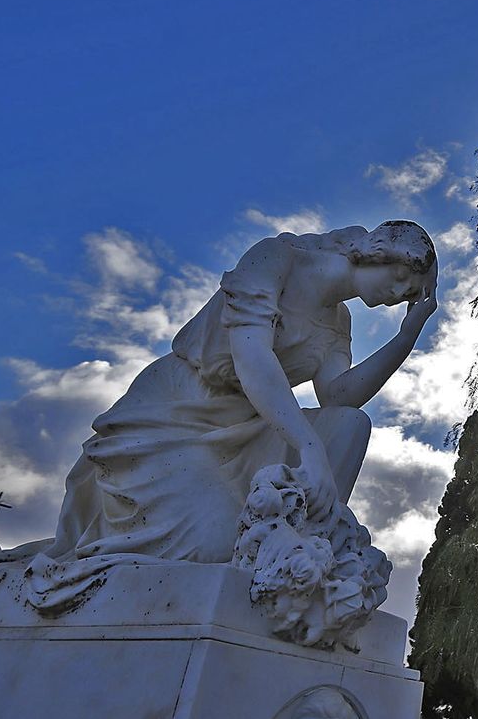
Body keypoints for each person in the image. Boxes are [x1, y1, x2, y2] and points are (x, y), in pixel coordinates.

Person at [51, 222, 438, 563]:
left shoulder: (338, 322)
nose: (401, 294)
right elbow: (252, 359)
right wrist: (309, 448)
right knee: (217, 545)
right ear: (378, 253)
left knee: (351, 423)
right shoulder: (275, 260)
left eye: (411, 293)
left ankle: (306, 551)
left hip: (251, 423)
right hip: (177, 410)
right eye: (404, 277)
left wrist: (407, 336)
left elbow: (339, 397)